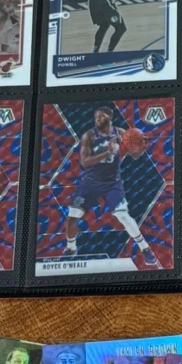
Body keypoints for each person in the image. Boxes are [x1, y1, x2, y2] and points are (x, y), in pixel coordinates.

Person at [62, 104, 157, 268]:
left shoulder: (121, 133)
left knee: (123, 216)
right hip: (90, 183)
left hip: (112, 183)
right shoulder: (89, 136)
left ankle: (145, 249)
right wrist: (108, 152)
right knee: (72, 218)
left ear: (110, 117)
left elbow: (134, 155)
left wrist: (140, 147)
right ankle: (71, 248)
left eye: (101, 116)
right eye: (96, 117)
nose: (97, 119)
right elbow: (84, 162)